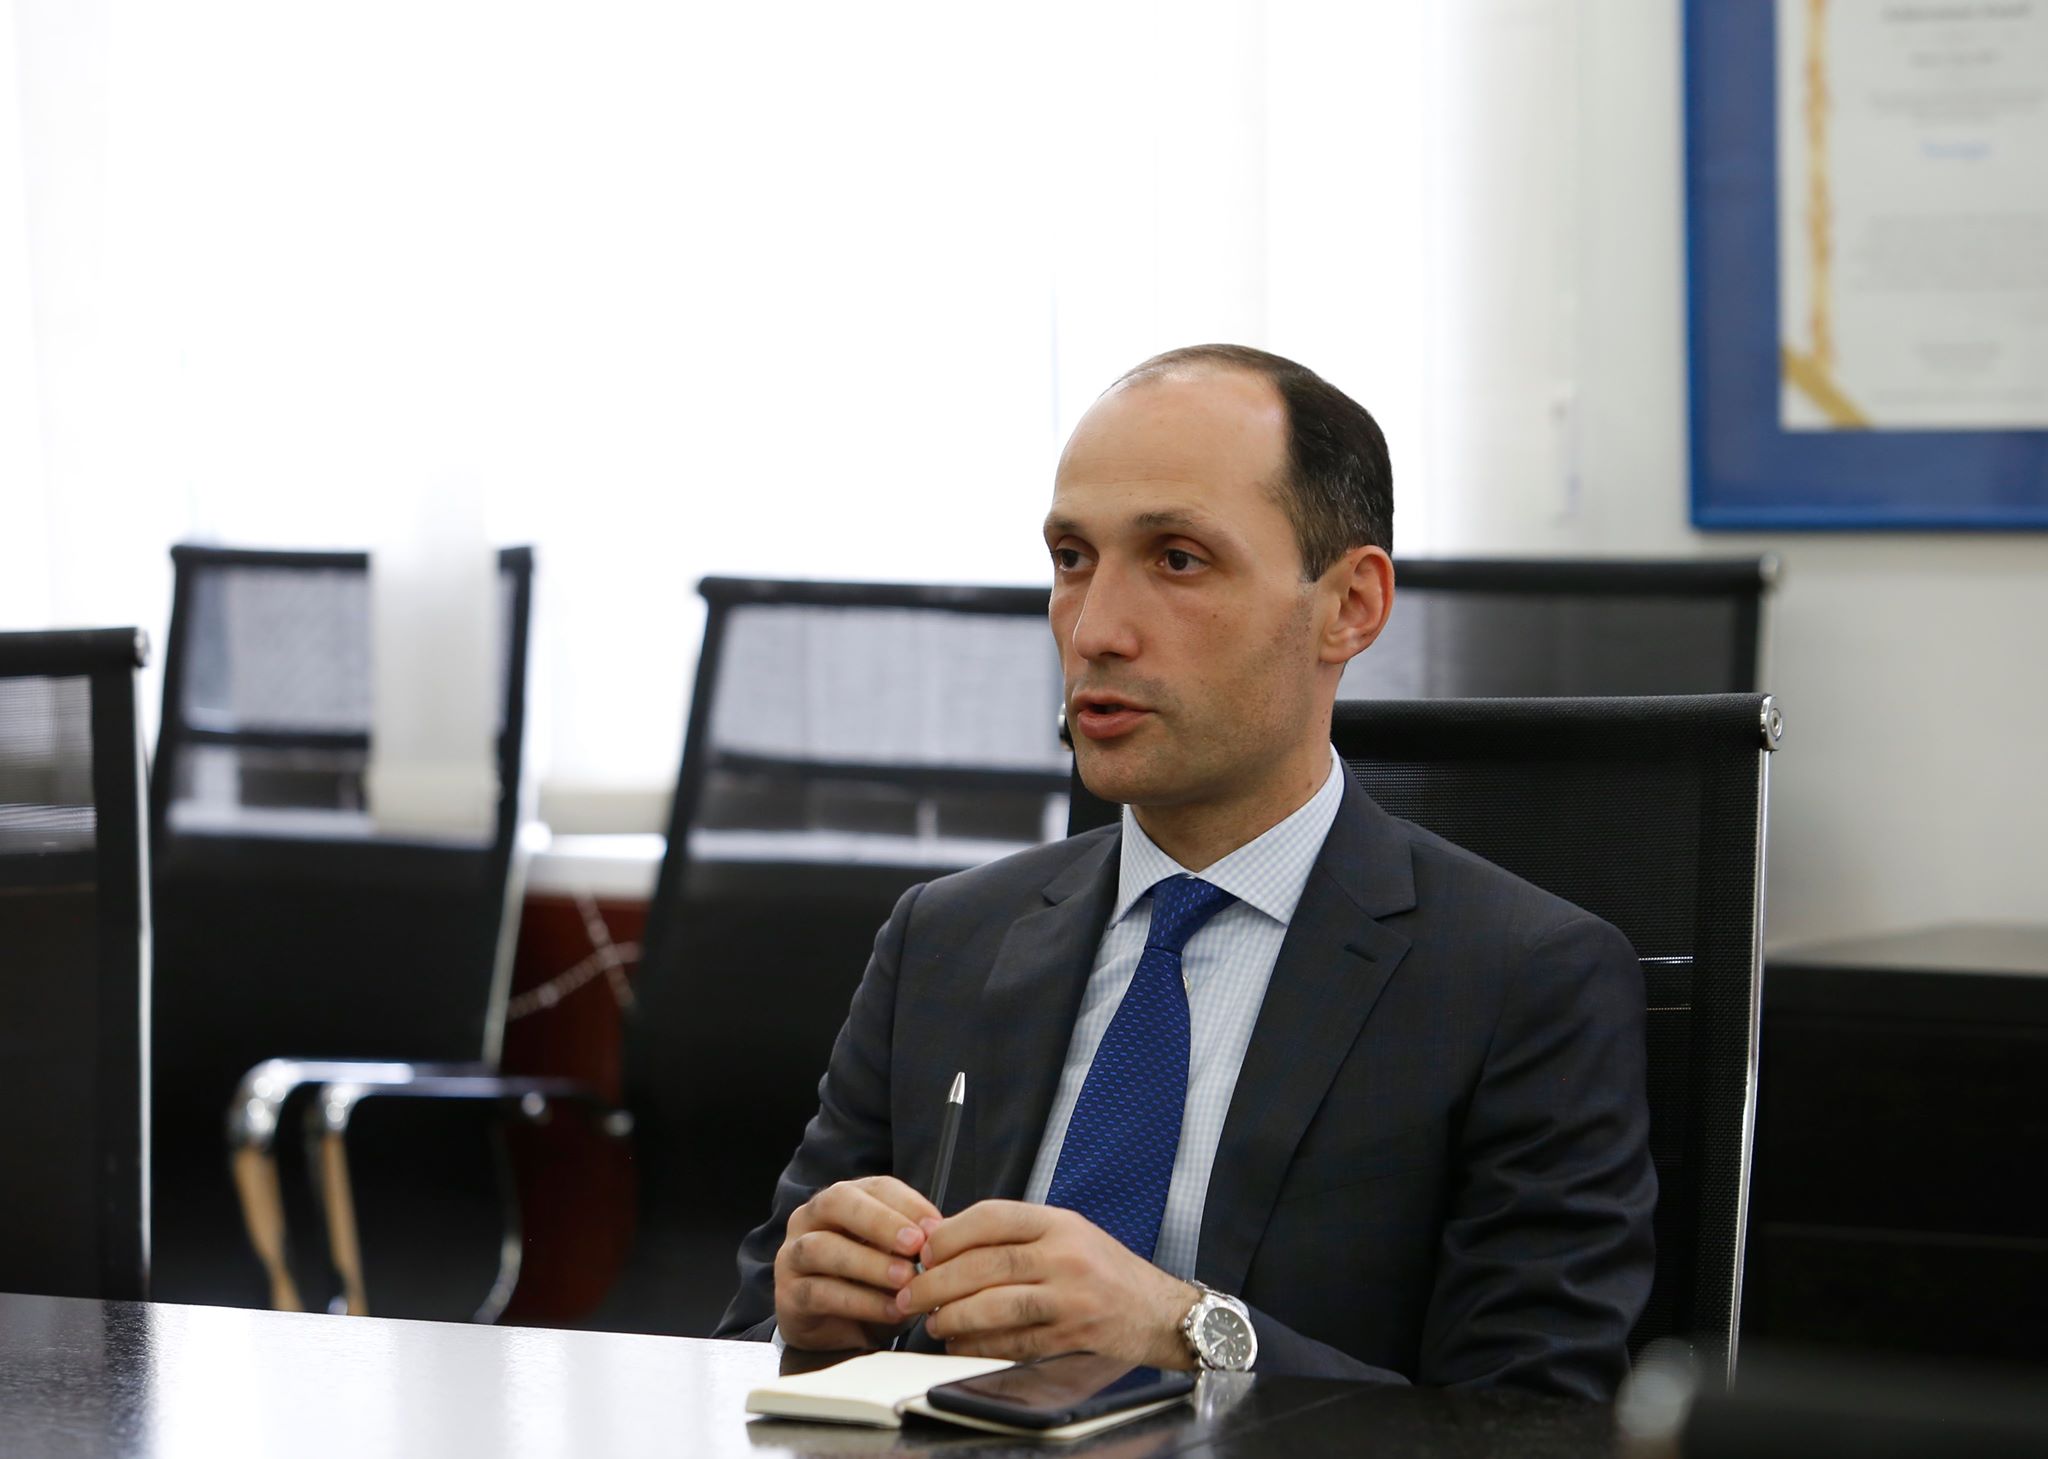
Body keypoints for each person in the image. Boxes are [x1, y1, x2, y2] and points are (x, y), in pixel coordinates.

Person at [713, 344, 1655, 1396]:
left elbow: (1529, 1425)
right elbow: (746, 1338)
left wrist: (1189, 1331)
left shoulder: (1522, 979)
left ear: (1349, 605)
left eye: (1176, 559)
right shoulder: (943, 938)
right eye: (1072, 558)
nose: (1094, 630)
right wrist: (805, 1323)